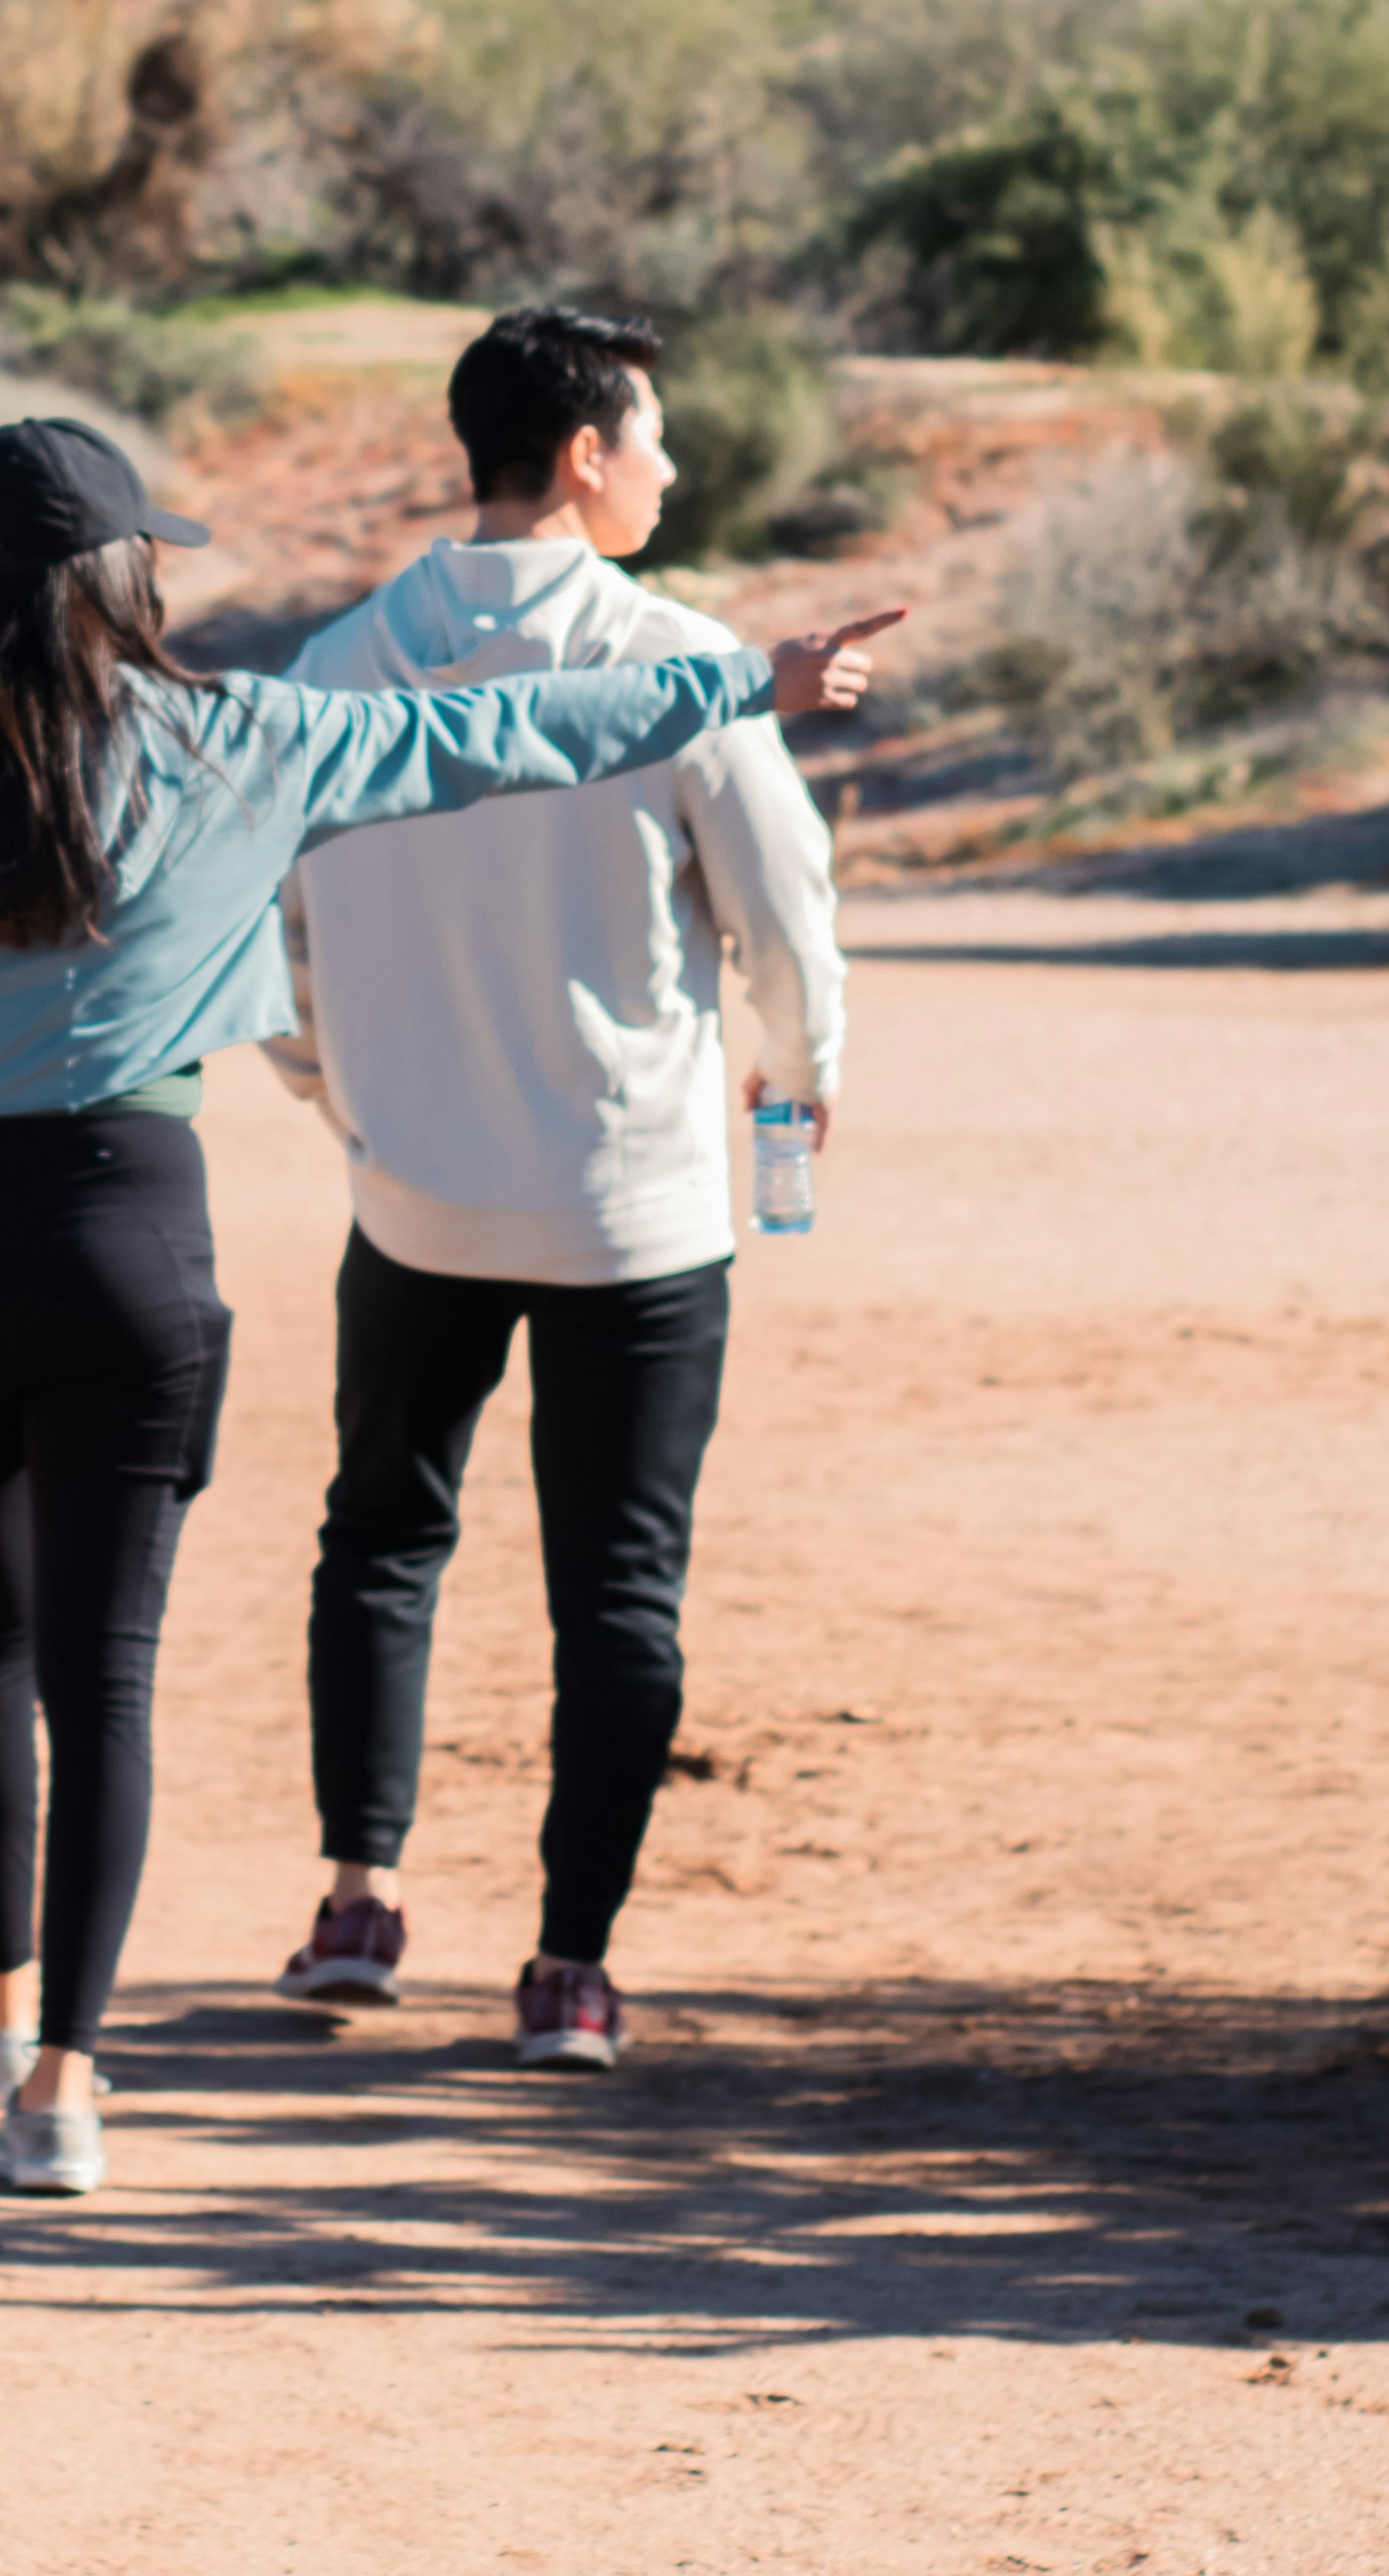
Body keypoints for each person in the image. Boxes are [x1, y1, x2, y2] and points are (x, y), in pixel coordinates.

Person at [0, 408, 902, 2198]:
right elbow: (502, 735)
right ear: (117, 574)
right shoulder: (239, 738)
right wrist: (746, 682)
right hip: (130, 1238)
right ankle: (61, 2089)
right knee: (107, 1674)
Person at [266, 304, 856, 2071]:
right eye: (652, 441)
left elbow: (272, 939)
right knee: (616, 1586)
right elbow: (782, 904)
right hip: (635, 1210)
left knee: (379, 1539)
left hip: (410, 1201)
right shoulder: (680, 660)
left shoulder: (332, 668)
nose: (667, 470)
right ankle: (567, 1967)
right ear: (585, 456)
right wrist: (801, 1068)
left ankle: (356, 1899)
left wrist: (344, 1104)